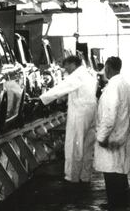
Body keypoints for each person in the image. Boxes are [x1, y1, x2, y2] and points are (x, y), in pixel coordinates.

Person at [38, 55, 97, 183]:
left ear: (73, 64)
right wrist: (62, 99)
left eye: (66, 67)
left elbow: (61, 88)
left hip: (79, 114)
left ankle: (72, 177)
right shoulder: (88, 74)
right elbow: (75, 91)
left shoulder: (77, 75)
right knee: (87, 147)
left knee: (74, 145)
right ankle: (85, 176)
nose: (66, 70)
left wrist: (42, 99)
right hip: (91, 113)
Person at [94, 57, 130, 209]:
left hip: (112, 134)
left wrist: (102, 137)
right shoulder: (124, 83)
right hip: (121, 131)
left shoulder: (113, 86)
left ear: (108, 68)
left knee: (111, 172)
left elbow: (109, 115)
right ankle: (121, 202)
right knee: (119, 170)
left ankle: (115, 205)